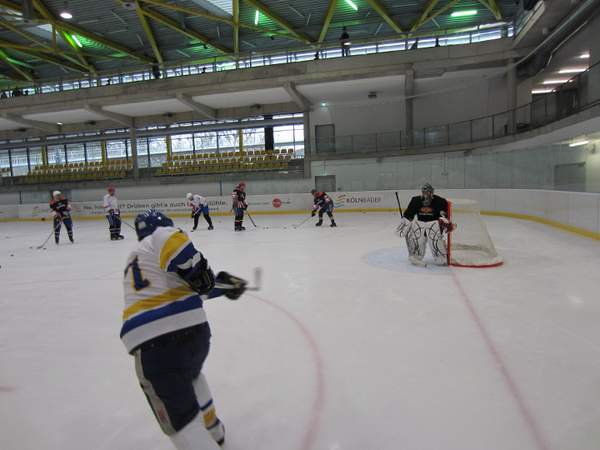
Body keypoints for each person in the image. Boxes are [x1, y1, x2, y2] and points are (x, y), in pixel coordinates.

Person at [121, 209, 247, 450]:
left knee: (181, 424)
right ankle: (215, 431)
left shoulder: (138, 255)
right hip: (196, 334)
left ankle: (207, 437)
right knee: (191, 377)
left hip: (154, 344)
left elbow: (176, 255)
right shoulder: (159, 239)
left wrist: (214, 281)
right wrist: (215, 282)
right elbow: (184, 261)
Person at [395, 183, 454, 266]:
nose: (426, 195)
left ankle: (441, 255)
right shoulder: (416, 200)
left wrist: (445, 221)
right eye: (424, 192)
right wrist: (404, 223)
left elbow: (444, 216)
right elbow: (409, 214)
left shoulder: (440, 201)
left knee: (440, 260)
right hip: (420, 226)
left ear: (432, 192)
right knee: (417, 235)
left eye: (428, 192)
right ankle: (416, 254)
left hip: (434, 227)